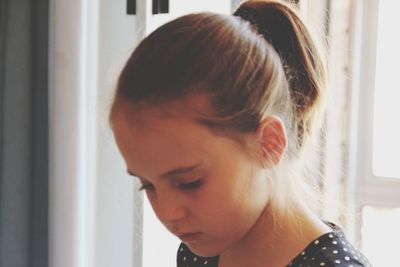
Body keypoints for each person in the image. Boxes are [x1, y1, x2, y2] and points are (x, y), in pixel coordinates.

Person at [109, 0, 372, 266]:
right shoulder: (200, 253)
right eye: (148, 185)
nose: (166, 212)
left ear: (268, 144)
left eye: (189, 182)